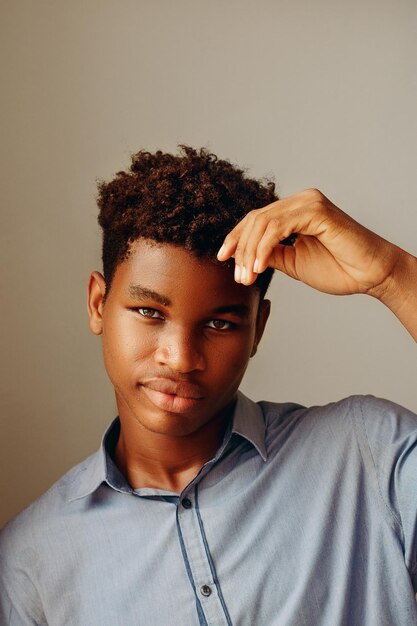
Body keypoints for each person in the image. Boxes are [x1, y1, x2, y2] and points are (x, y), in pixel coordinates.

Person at [0, 146, 416, 626]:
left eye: (219, 324)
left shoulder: (367, 454)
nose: (180, 358)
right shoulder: (29, 563)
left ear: (258, 329)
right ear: (98, 304)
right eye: (149, 313)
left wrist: (393, 274)